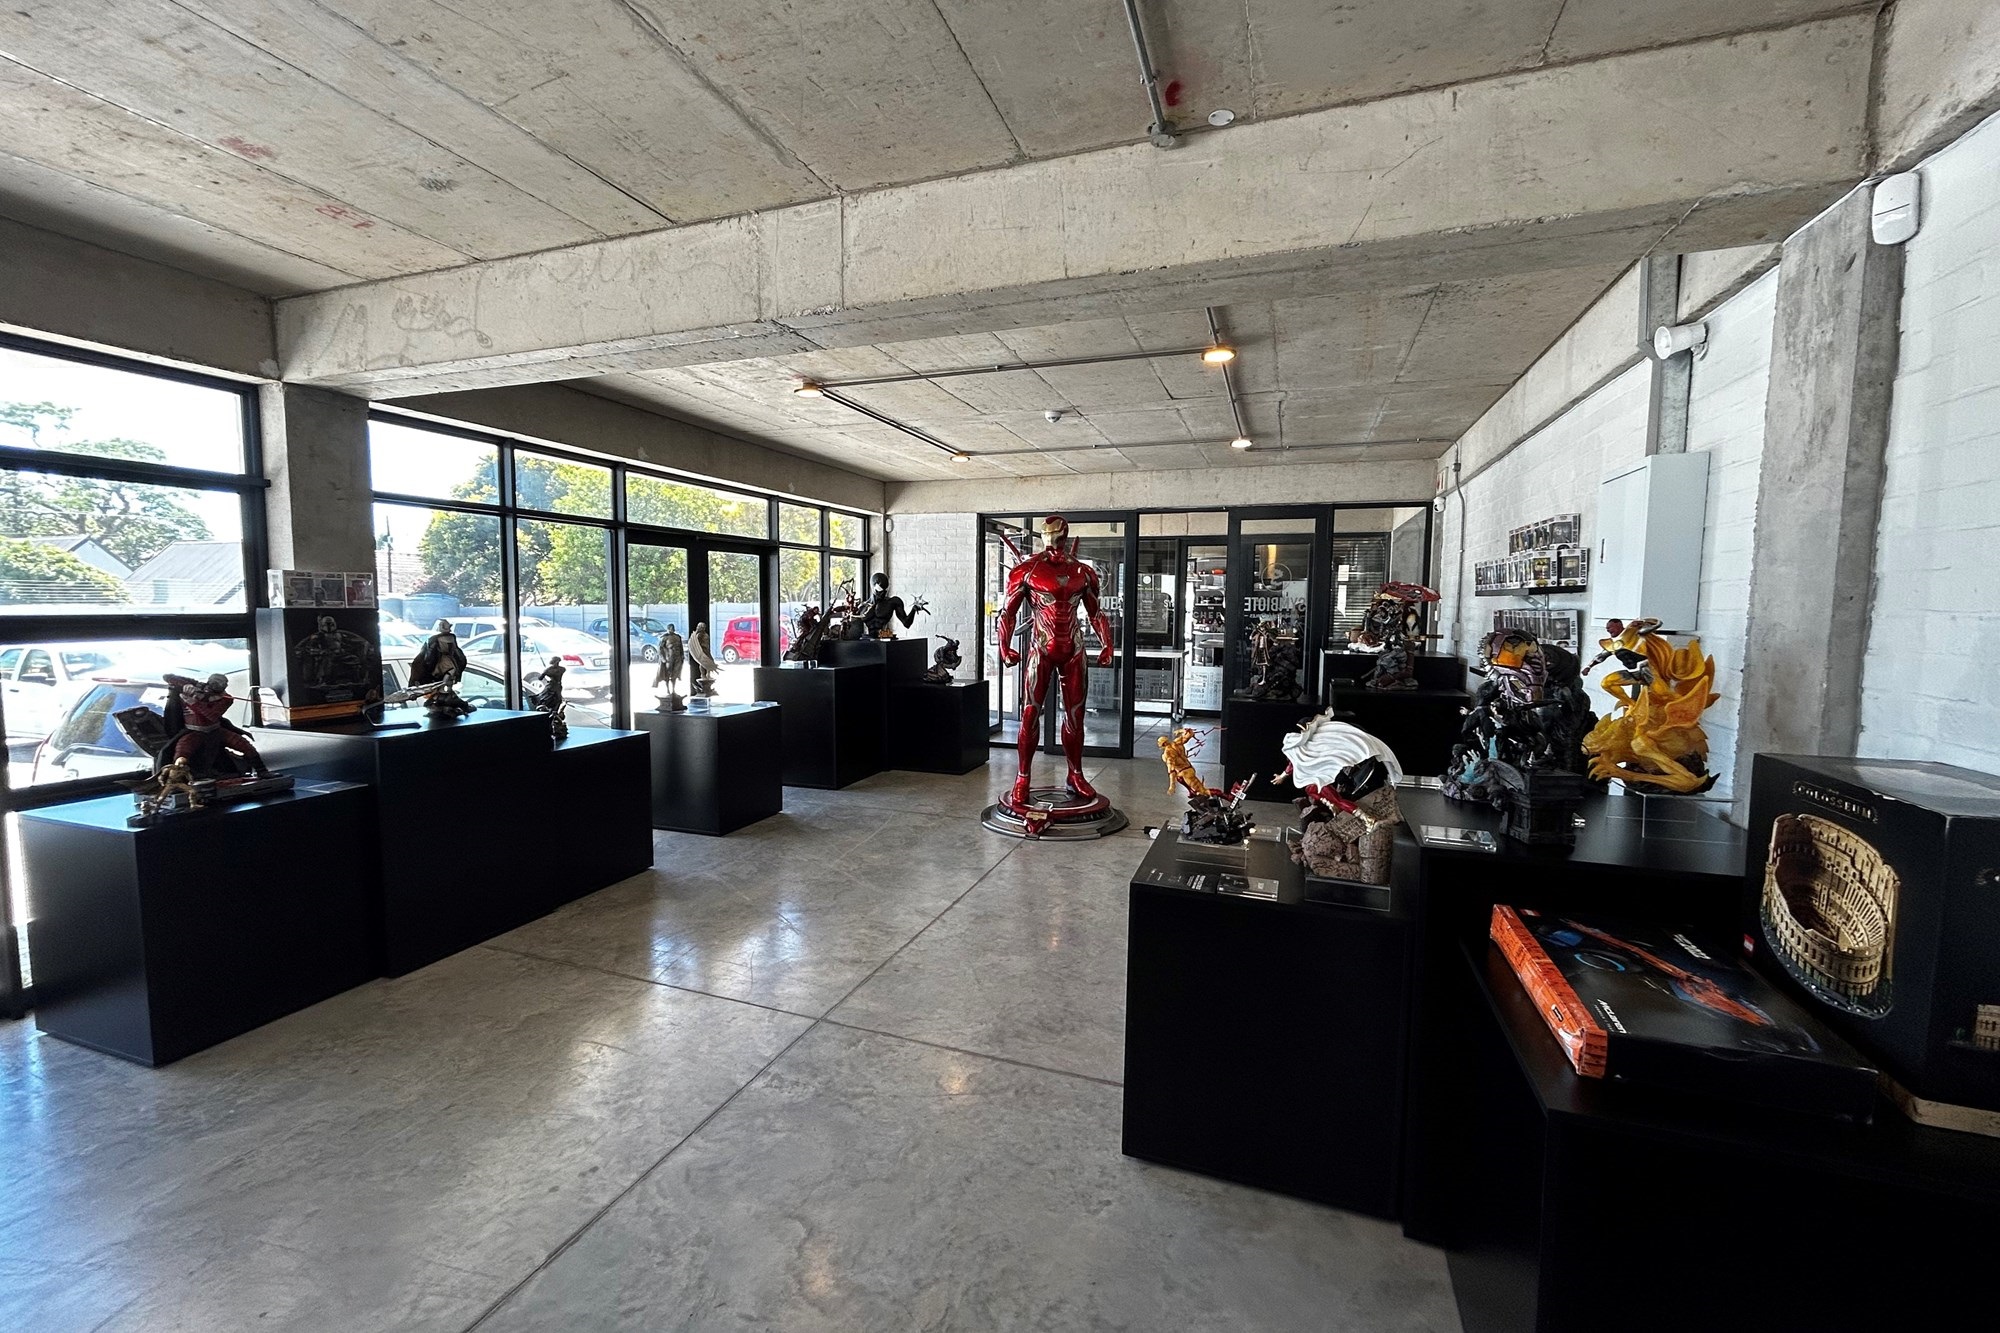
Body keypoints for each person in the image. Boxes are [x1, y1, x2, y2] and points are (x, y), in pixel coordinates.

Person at [994, 514, 1114, 812]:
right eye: (1050, 535)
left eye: (1058, 535)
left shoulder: (1083, 572)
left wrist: (1107, 643)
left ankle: (1076, 774)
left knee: (1075, 716)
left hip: (1073, 648)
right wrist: (1004, 647)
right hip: (1041, 648)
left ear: (1065, 535)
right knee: (1030, 713)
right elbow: (1007, 613)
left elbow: (1096, 613)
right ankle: (1023, 777)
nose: (1054, 541)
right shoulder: (1027, 571)